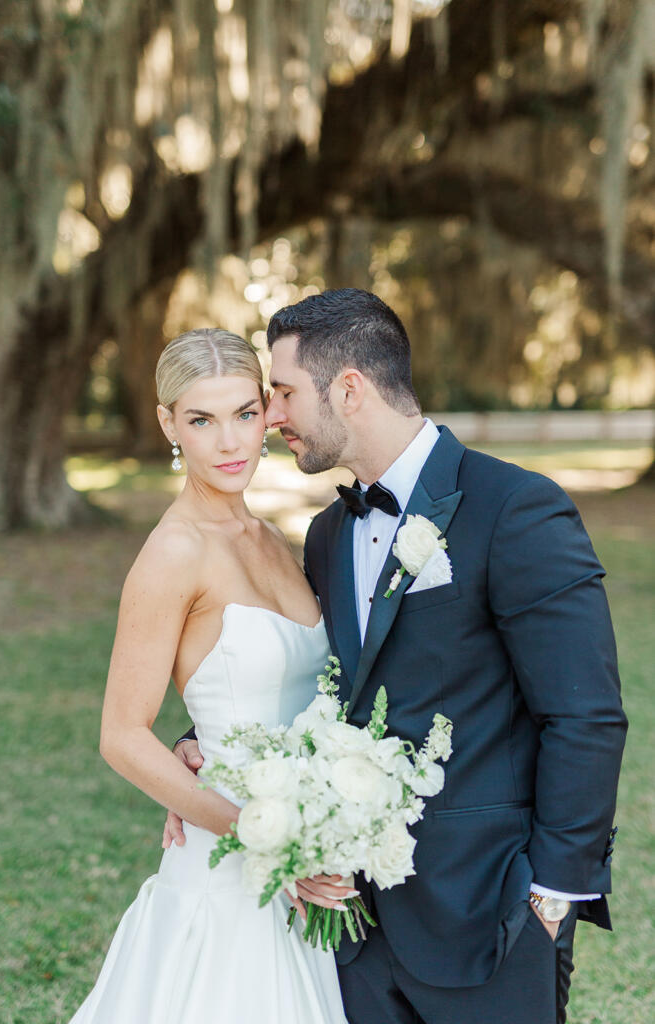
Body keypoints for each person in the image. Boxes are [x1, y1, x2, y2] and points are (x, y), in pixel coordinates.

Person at [168, 289, 628, 1024]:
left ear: (348, 389)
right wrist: (205, 745)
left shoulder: (514, 507)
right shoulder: (327, 534)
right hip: (353, 928)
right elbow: (320, 674)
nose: (272, 416)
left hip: (488, 915)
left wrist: (551, 897)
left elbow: (584, 715)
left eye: (284, 392)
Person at [68, 328, 349, 1023]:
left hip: (303, 846)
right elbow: (121, 736)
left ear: (267, 412)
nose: (229, 442)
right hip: (230, 864)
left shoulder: (271, 539)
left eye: (244, 414)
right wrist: (262, 835)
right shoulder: (173, 552)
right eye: (201, 420)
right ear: (169, 424)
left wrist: (199, 745)